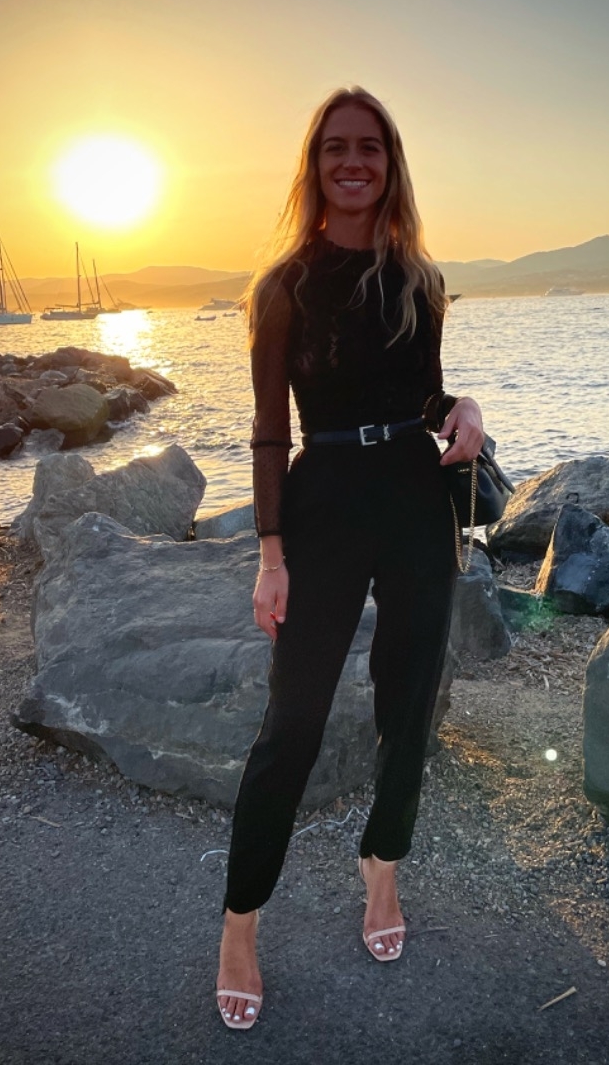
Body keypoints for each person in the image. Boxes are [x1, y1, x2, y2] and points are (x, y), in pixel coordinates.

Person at [215, 86, 484, 1030]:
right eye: (336, 147)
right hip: (323, 500)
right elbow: (267, 430)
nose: (353, 161)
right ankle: (241, 923)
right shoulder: (284, 286)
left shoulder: (420, 280)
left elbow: (422, 397)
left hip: (414, 501)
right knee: (291, 723)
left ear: (390, 162)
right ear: (315, 164)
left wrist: (462, 410)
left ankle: (382, 866)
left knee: (407, 708)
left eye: (370, 146)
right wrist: (270, 552)